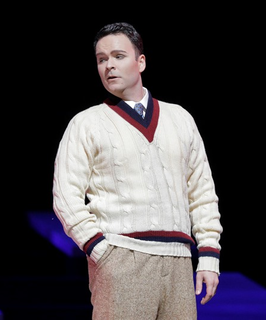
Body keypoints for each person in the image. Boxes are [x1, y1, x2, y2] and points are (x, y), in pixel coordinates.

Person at [52, 21, 222, 319]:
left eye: (118, 56)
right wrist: (102, 251)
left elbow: (202, 192)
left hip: (179, 260)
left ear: (140, 61)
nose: (109, 66)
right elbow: (65, 196)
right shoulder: (87, 123)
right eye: (101, 60)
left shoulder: (179, 118)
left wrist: (209, 255)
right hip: (121, 258)